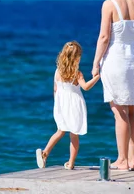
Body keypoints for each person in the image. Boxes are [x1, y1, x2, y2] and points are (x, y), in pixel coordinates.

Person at [91, 0, 134, 171]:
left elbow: (104, 37)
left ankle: (122, 160)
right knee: (131, 111)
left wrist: (95, 63)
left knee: (119, 111)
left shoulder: (109, 4)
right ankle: (132, 159)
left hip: (116, 58)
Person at [36, 41, 101, 170]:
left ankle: (45, 153)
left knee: (60, 131)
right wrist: (98, 77)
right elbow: (86, 87)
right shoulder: (77, 74)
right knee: (74, 134)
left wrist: (57, 105)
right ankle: (71, 163)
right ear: (77, 57)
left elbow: (55, 89)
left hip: (60, 105)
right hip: (74, 105)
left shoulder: (58, 72)